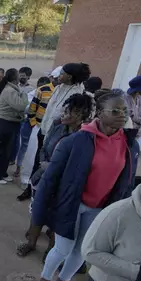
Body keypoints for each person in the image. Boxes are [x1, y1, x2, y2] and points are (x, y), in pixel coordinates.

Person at [32, 90, 140, 281]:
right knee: (63, 248)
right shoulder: (76, 141)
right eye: (115, 110)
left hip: (100, 208)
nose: (122, 115)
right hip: (71, 205)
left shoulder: (129, 144)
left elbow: (126, 182)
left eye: (125, 111)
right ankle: (45, 279)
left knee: (83, 250)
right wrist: (40, 211)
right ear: (100, 112)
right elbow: (50, 178)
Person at [16, 93, 94, 258]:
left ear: (81, 115)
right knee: (38, 210)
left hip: (65, 184)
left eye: (69, 111)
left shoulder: (86, 137)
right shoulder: (58, 125)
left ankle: (50, 251)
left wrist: (51, 167)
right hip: (45, 177)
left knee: (58, 217)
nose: (64, 113)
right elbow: (44, 148)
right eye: (65, 109)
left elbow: (78, 164)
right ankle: (31, 243)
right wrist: (46, 165)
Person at [0, 68, 29, 184]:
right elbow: (21, 106)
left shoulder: (12, 89)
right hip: (5, 122)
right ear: (14, 78)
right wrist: (24, 95)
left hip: (10, 122)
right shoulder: (10, 90)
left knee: (7, 151)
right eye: (18, 76)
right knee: (2, 151)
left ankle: (2, 173)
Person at [13, 77, 51, 179]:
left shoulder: (52, 93)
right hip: (30, 123)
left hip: (40, 126)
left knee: (35, 149)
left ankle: (30, 171)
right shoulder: (33, 93)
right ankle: (19, 167)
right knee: (24, 146)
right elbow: (27, 109)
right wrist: (34, 122)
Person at [40, 63, 91, 137]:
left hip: (56, 132)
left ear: (69, 77)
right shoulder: (59, 87)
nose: (58, 76)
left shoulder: (77, 94)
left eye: (61, 74)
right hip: (44, 129)